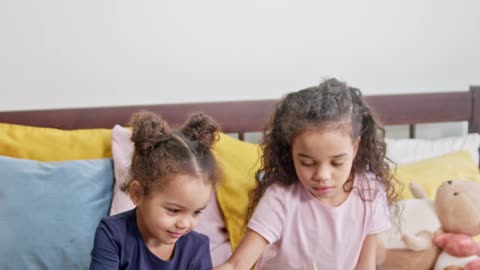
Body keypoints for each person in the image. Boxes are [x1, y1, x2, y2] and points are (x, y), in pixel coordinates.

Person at [215, 78, 400, 270]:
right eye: (307, 163)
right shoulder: (281, 199)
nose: (322, 175)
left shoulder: (369, 191)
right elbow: (237, 264)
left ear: (355, 148)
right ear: (291, 152)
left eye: (337, 162)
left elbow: (365, 265)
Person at [89, 111, 220, 270]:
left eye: (196, 212)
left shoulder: (197, 247)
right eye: (173, 210)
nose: (185, 224)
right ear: (138, 193)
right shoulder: (112, 234)